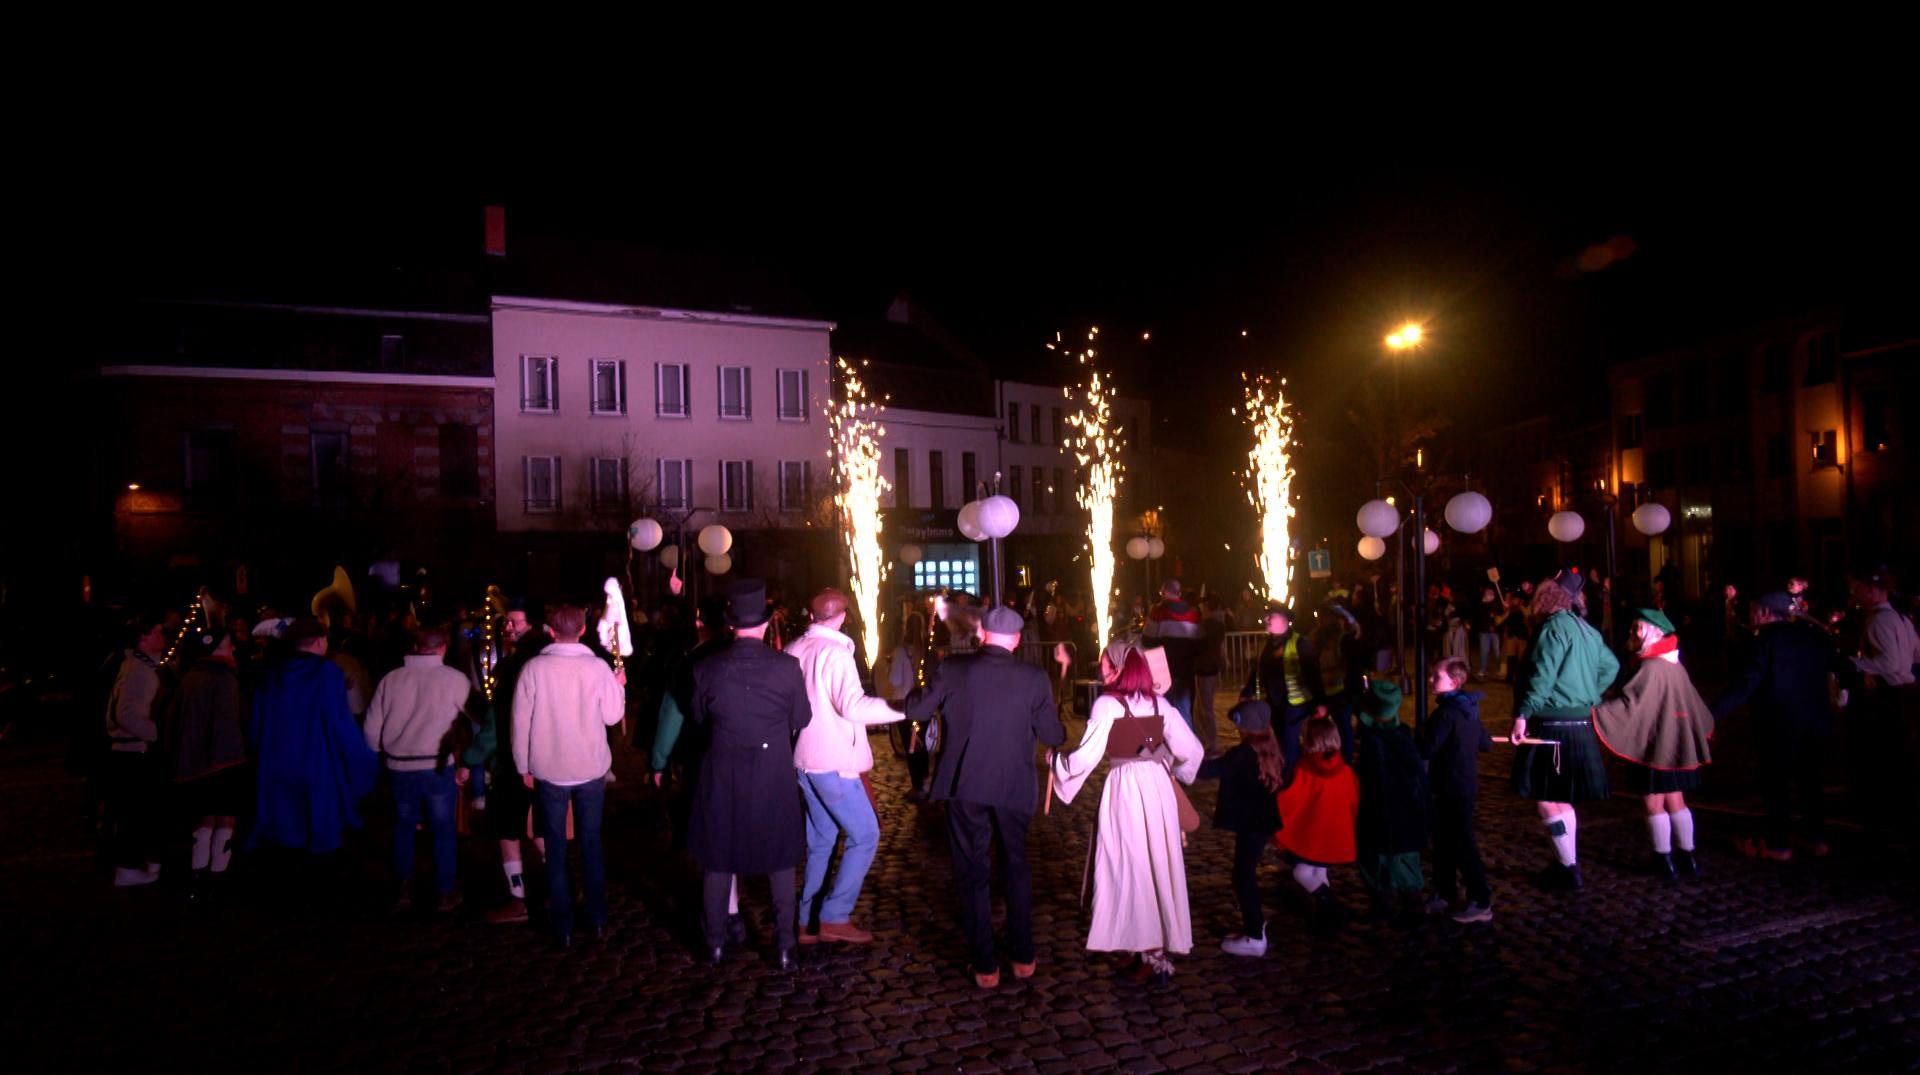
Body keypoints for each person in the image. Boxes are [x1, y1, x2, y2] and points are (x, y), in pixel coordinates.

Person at [904, 605, 1066, 989]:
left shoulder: (954, 669)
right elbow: (1055, 736)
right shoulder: (1033, 677)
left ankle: (985, 965)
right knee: (1015, 863)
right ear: (1015, 640)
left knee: (971, 871)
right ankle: (1023, 957)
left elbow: (917, 708)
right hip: (1012, 784)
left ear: (983, 635)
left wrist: (922, 685)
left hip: (966, 783)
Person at [1051, 644, 1205, 984]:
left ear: (1119, 668)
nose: (1100, 666)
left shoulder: (1107, 704)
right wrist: (1174, 777)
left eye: (1106, 662)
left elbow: (1086, 757)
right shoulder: (1157, 702)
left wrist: (1057, 765)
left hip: (1127, 791)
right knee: (1152, 864)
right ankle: (1146, 950)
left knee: (1129, 866)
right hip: (1158, 788)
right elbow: (1193, 750)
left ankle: (1150, 953)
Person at [687, 580, 812, 969]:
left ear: (730, 624)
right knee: (779, 860)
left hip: (722, 772)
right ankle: (786, 947)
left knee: (717, 859)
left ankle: (715, 944)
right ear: (765, 622)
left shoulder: (706, 667)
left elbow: (697, 718)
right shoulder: (787, 668)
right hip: (771, 772)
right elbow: (802, 718)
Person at [788, 587, 904, 945]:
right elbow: (852, 707)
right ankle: (834, 916)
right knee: (865, 834)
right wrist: (903, 707)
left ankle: (808, 921)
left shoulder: (794, 649)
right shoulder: (835, 653)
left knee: (822, 839)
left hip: (803, 759)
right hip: (833, 762)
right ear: (842, 617)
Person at [512, 604, 626, 948]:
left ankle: (561, 922)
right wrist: (618, 686)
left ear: (550, 631)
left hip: (549, 768)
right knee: (591, 842)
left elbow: (520, 723)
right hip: (589, 766)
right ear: (581, 631)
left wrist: (523, 765)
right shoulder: (596, 667)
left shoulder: (534, 668)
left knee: (556, 847)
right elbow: (612, 717)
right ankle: (595, 916)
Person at [1713, 592, 1848, 861]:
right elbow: (1840, 665)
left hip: (1778, 722)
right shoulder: (1813, 635)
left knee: (1777, 784)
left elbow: (1746, 684)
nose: (1749, 616)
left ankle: (1778, 844)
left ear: (1765, 613)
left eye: (1753, 611)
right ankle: (1816, 838)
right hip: (1814, 720)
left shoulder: (1764, 640)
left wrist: (1711, 714)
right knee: (1812, 782)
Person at [1510, 573, 1619, 891]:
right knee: (1562, 799)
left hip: (1552, 723)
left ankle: (1568, 869)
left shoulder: (1553, 627)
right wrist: (1588, 695)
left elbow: (1542, 675)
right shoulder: (1586, 629)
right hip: (1579, 722)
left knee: (1546, 800)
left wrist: (1522, 714)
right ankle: (1565, 866)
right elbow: (1610, 667)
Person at [1590, 609, 1716, 880]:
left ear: (1652, 633)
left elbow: (1631, 705)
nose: (1634, 633)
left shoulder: (1649, 667)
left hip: (1654, 746)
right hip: (1675, 746)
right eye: (1634, 627)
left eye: (1639, 629)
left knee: (1653, 803)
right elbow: (1694, 704)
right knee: (1677, 800)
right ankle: (1688, 857)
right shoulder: (1674, 665)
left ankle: (1663, 859)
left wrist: (1596, 711)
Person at [363, 626, 478, 913]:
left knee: (403, 826)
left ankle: (403, 888)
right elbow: (479, 718)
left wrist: (380, 752)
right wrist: (471, 758)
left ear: (415, 647)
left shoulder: (391, 680)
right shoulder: (454, 680)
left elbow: (370, 729)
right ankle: (445, 892)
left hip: (400, 766)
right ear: (442, 648)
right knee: (443, 829)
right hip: (438, 765)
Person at [248, 618, 378, 861]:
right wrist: (363, 759)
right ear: (319, 642)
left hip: (275, 763)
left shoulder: (271, 673)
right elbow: (339, 723)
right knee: (317, 836)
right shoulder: (325, 672)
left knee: (284, 838)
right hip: (315, 764)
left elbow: (257, 723)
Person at [473, 602, 550, 925]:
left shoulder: (518, 664)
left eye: (514, 622)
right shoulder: (547, 658)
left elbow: (498, 721)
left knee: (507, 828)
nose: (508, 628)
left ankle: (518, 898)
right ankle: (554, 890)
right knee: (543, 826)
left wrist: (471, 757)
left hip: (514, 760)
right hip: (546, 759)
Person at [161, 628, 248, 897]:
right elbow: (227, 724)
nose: (232, 649)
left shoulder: (190, 677)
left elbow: (172, 720)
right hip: (223, 761)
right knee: (224, 820)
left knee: (204, 820)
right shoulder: (224, 678)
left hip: (192, 763)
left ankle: (197, 874)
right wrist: (236, 758)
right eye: (227, 645)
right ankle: (217, 876)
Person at [1198, 699, 1286, 957]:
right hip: (1260, 822)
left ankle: (1254, 933)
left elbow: (1210, 770)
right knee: (1243, 871)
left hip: (1251, 823)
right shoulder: (1270, 747)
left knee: (1243, 876)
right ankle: (1254, 925)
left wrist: (1179, 761)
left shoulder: (1243, 754)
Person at [1840, 566, 1920, 838]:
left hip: (1886, 699)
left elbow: (1890, 663)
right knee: (1900, 759)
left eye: (1858, 588)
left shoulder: (1878, 621)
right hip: (1903, 695)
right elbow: (1916, 654)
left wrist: (1852, 663)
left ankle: (1884, 820)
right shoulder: (1901, 618)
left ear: (1873, 591)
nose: (1854, 593)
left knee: (1881, 760)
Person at [1351, 680, 1430, 926]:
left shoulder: (1374, 744)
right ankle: (1407, 906)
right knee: (1404, 860)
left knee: (1380, 860)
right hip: (1408, 814)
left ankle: (1395, 906)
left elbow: (1374, 783)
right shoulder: (1403, 735)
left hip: (1383, 815)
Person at [1422, 657, 1492, 923]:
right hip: (1463, 783)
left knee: (1461, 844)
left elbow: (1427, 749)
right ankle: (1445, 891)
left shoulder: (1446, 714)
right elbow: (1486, 743)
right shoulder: (1469, 708)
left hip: (1449, 785)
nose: (1430, 680)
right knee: (1445, 842)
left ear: (1454, 681)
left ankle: (1480, 900)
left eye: (1436, 677)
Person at [1275, 717, 1358, 935]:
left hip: (1312, 835)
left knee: (1302, 872)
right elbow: (1353, 799)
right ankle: (1327, 918)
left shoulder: (1305, 768)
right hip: (1335, 834)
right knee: (1319, 874)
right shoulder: (1345, 769)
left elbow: (1292, 800)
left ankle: (1334, 907)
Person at [103, 613, 168, 887]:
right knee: (134, 812)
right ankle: (128, 867)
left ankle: (137, 864)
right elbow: (126, 715)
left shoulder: (139, 667)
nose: (163, 637)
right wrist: (158, 734)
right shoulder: (137, 672)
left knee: (137, 812)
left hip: (133, 752)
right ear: (143, 639)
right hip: (133, 753)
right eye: (157, 632)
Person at [1241, 601, 1330, 775]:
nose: (1266, 618)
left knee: (1290, 746)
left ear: (1284, 620)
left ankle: (1292, 781)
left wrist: (1320, 702)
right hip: (1274, 705)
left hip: (1295, 707)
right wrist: (1247, 692)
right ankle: (1289, 777)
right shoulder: (1266, 644)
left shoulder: (1300, 643)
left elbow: (1313, 674)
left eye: (1271, 615)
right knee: (1282, 742)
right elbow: (1257, 671)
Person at [1143, 579, 1202, 731]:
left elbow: (1147, 640)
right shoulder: (1193, 613)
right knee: (1185, 709)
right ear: (1179, 593)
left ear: (1164, 593)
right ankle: (1189, 748)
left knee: (1164, 710)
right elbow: (1201, 642)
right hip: (1186, 668)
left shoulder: (1158, 613)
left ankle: (1168, 747)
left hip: (1163, 668)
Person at [1192, 596, 1228, 756]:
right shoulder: (1219, 624)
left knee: (1205, 707)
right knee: (1204, 705)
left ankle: (1212, 743)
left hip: (1204, 666)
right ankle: (1209, 741)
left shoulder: (1206, 625)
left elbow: (1200, 645)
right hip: (1211, 666)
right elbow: (1221, 647)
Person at [1471, 587, 1502, 680]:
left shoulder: (1496, 604)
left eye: (1492, 592)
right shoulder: (1481, 604)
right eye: (1488, 592)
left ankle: (1500, 669)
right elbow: (1479, 616)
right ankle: (1482, 669)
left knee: (1497, 651)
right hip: (1484, 631)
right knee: (1484, 651)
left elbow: (1499, 614)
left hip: (1494, 632)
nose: (1490, 594)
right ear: (1484, 593)